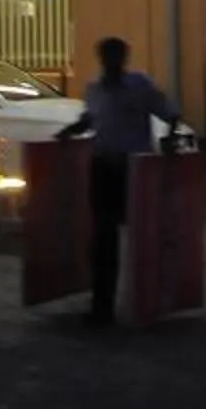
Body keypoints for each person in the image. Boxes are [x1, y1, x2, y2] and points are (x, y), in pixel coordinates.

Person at [58, 35, 179, 324]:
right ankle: (103, 306)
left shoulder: (140, 86)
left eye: (115, 56)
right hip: (103, 166)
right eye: (106, 56)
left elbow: (169, 111)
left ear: (123, 58)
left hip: (134, 169)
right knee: (103, 238)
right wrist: (70, 131)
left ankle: (147, 300)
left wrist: (171, 139)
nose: (110, 62)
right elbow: (91, 119)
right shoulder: (94, 89)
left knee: (143, 236)